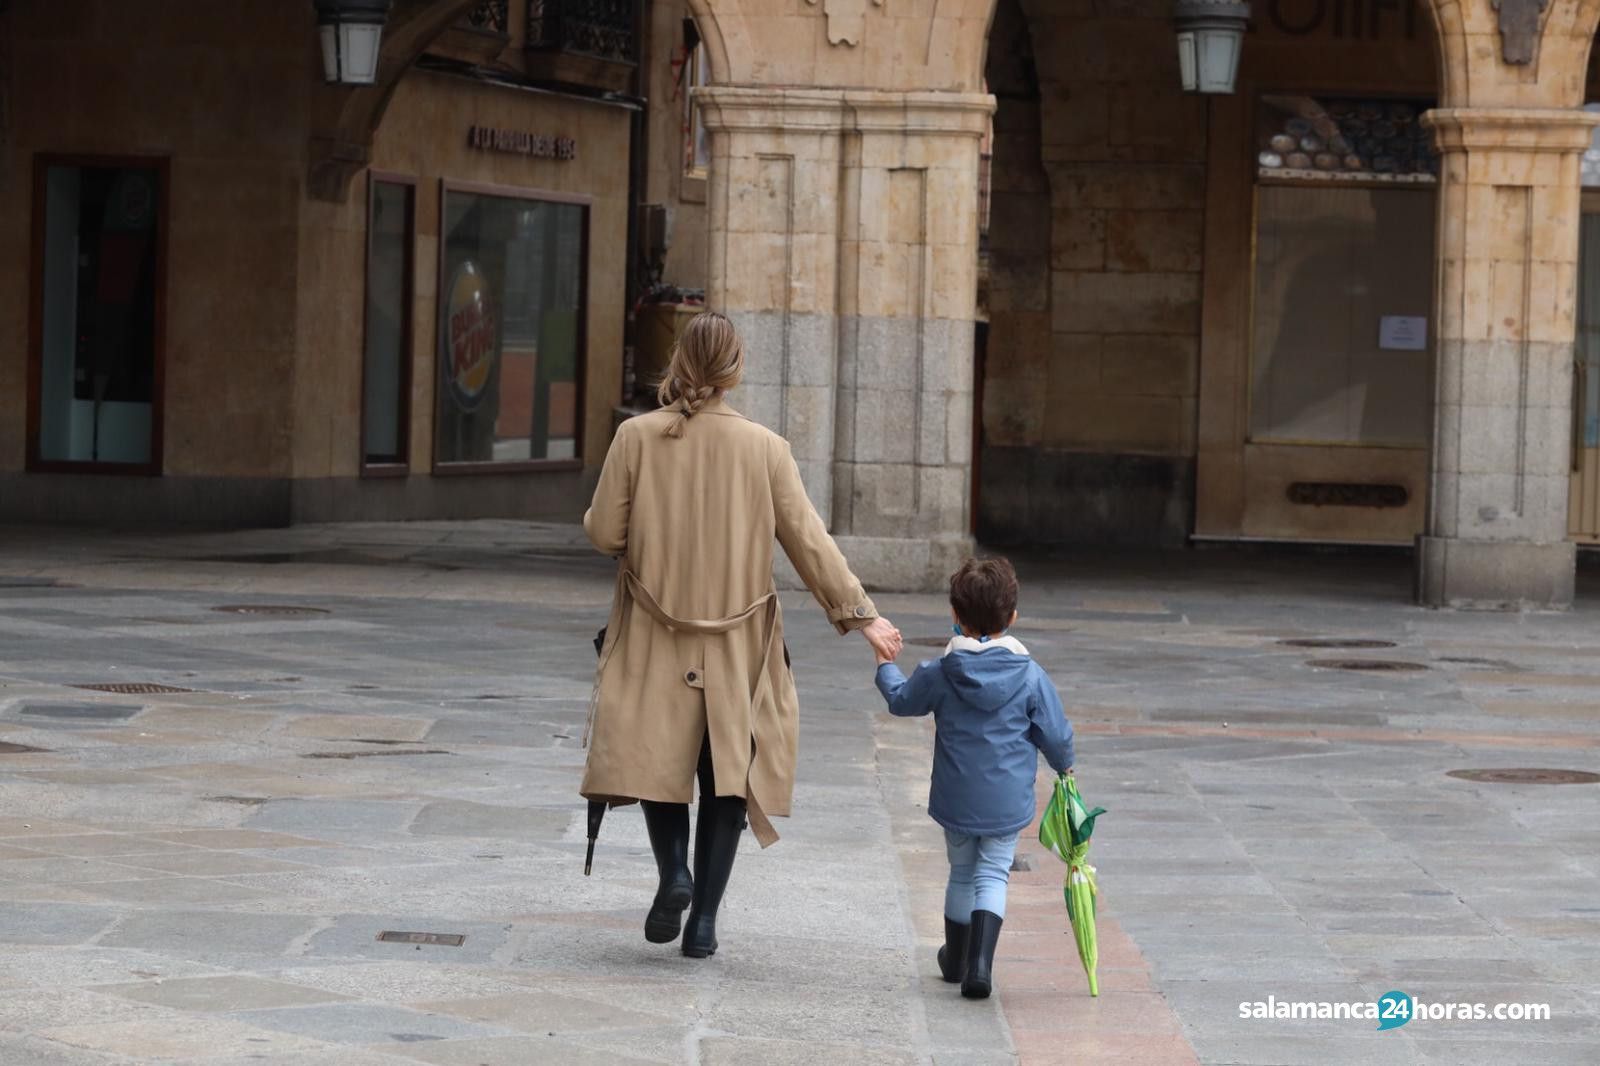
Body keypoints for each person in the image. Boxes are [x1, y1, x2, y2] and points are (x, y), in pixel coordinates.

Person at [582, 311, 903, 959]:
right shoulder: (766, 448)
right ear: (735, 370)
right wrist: (862, 615)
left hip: (653, 631)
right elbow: (809, 541)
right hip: (738, 643)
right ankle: (703, 923)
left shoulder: (635, 437)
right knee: (727, 774)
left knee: (658, 762)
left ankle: (674, 873)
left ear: (679, 361)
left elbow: (605, 534)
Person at [874, 556, 1074, 999]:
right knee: (993, 875)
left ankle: (955, 961)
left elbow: (901, 701)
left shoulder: (940, 672)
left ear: (955, 615)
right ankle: (980, 966)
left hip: (956, 798)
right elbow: (1055, 735)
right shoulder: (1031, 676)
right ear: (1013, 617)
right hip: (1006, 803)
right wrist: (1065, 767)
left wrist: (885, 664)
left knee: (962, 873)